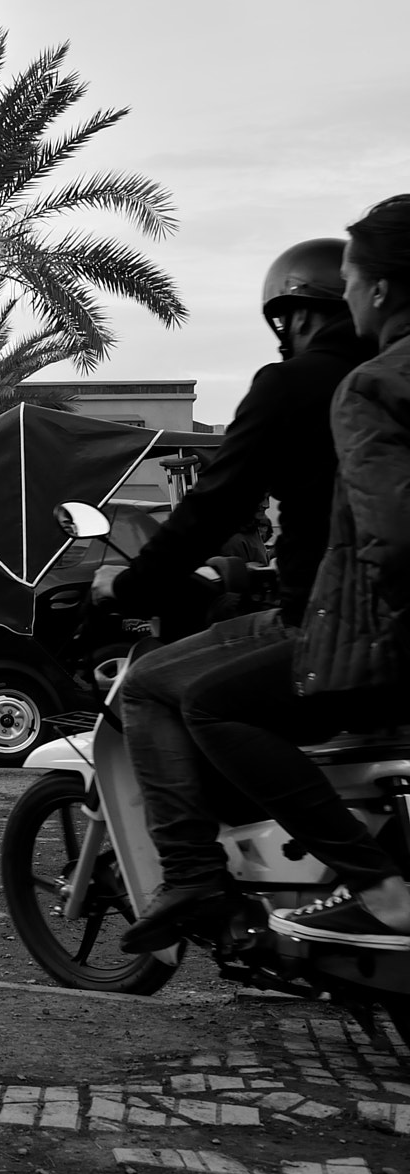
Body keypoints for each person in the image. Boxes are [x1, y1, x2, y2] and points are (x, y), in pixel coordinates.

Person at [110, 238, 376, 952]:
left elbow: (213, 508)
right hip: (353, 613)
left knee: (161, 689)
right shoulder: (384, 377)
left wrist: (129, 586)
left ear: (291, 315)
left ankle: (199, 873)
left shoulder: (296, 386)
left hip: (332, 628)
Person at [167, 197, 410, 949]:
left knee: (208, 706)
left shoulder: (370, 387)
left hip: (374, 639)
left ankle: (373, 883)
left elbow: (394, 540)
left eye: (355, 277)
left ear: (377, 290)